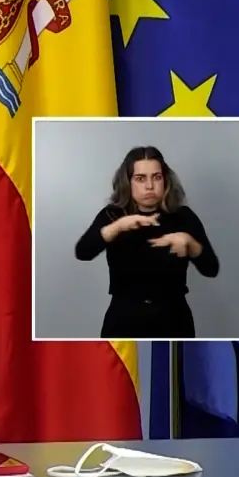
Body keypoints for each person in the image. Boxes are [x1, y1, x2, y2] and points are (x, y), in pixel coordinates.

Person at [74, 145, 219, 339]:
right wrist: (117, 227)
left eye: (156, 177)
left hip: (173, 319)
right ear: (128, 182)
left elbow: (211, 269)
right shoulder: (112, 215)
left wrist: (190, 243)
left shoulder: (184, 217)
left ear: (165, 180)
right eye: (141, 178)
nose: (150, 186)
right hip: (124, 319)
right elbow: (83, 252)